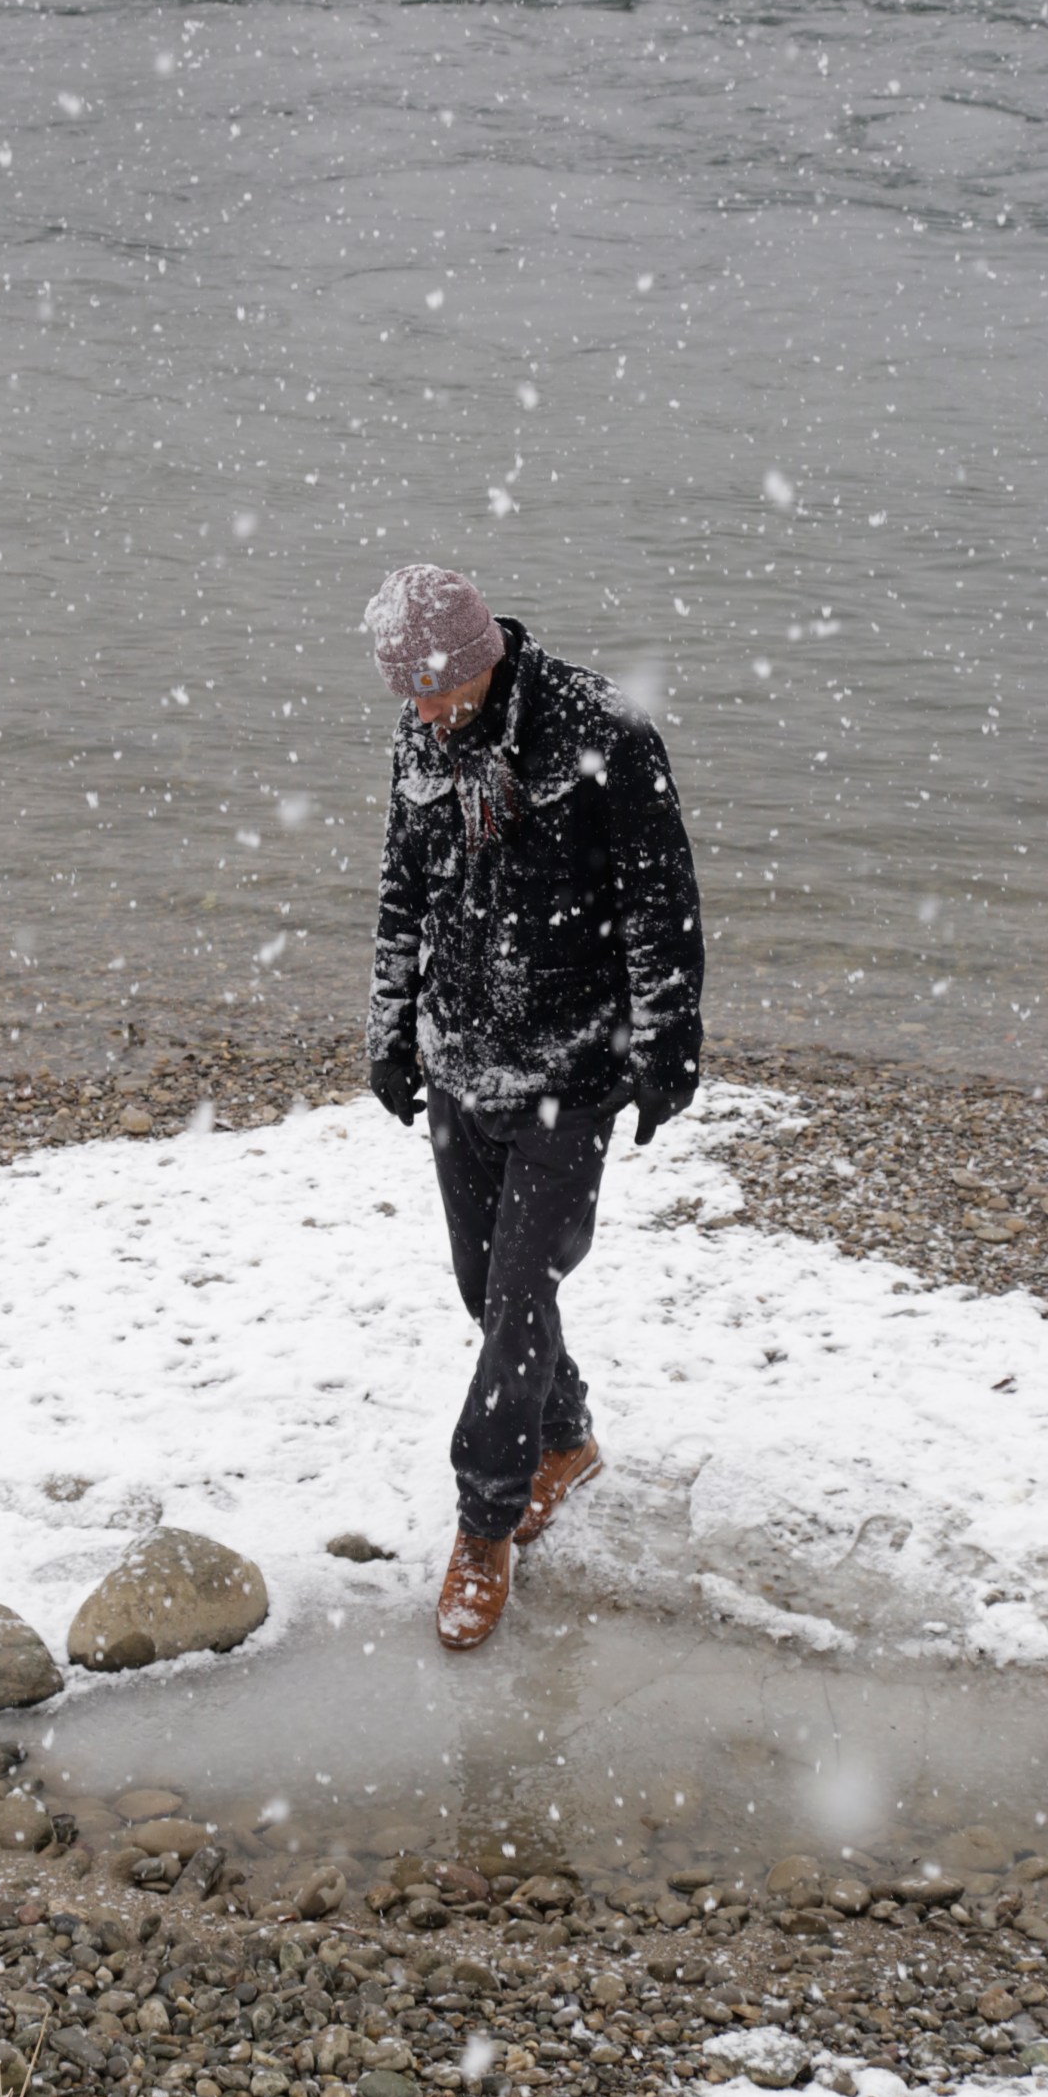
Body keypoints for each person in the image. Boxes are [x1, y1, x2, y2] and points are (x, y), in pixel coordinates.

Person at [364, 563, 705, 1650]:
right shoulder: (422, 736)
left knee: (518, 1301)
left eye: (432, 689)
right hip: (458, 1059)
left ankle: (484, 1522)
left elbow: (660, 903)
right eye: (406, 693)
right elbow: (402, 890)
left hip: (569, 1068)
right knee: (485, 1288)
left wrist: (666, 1052)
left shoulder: (603, 733)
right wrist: (389, 1030)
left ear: (480, 660)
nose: (420, 712)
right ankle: (565, 1438)